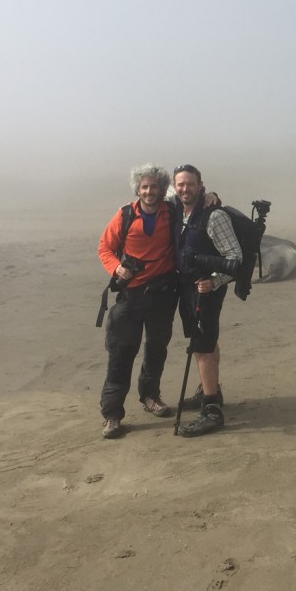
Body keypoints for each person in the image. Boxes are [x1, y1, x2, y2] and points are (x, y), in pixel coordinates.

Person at [96, 164, 180, 438]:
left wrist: (212, 196)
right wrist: (116, 268)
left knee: (157, 349)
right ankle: (112, 414)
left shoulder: (172, 211)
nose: (149, 191)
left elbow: (196, 198)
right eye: (144, 186)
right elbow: (105, 247)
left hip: (162, 295)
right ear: (137, 189)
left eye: (154, 186)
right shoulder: (125, 215)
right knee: (122, 353)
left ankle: (150, 397)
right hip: (130, 296)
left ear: (161, 188)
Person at [171, 163, 243, 437]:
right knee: (205, 341)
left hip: (207, 289)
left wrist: (214, 281)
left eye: (190, 184)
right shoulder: (179, 208)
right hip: (187, 287)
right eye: (180, 184)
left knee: (201, 345)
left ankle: (212, 409)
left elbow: (235, 258)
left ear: (200, 185)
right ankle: (209, 389)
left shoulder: (214, 216)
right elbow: (156, 194)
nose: (184, 189)